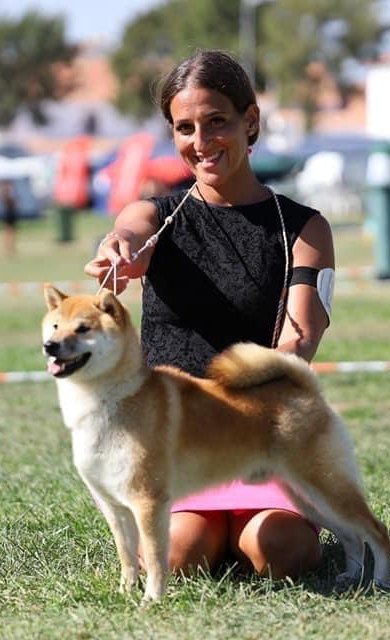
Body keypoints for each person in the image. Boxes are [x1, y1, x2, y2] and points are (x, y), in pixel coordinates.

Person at [84, 50, 336, 581]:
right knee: (180, 557)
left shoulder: (304, 229)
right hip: (177, 441)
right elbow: (127, 235)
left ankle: (257, 526)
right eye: (185, 128)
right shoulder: (155, 216)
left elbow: (302, 337)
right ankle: (211, 529)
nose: (201, 143)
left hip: (260, 434)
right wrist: (117, 251)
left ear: (251, 121)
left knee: (281, 554)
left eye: (216, 122)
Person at [0, 180, 17, 257]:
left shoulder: (11, 194)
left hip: (11, 214)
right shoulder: (4, 194)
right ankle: (6, 247)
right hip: (6, 214)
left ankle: (11, 247)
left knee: (12, 231)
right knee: (6, 231)